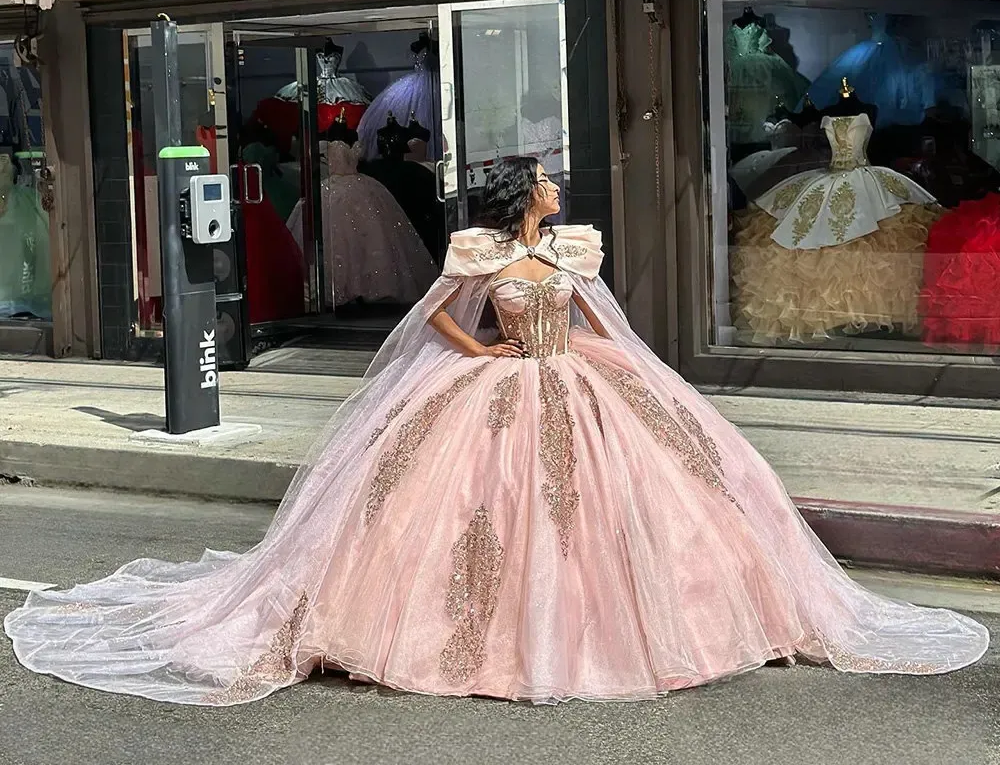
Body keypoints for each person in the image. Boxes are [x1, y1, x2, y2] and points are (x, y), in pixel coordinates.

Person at [3, 159, 988, 706]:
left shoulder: (564, 254)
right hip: (504, 387)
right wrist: (474, 356)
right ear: (523, 208)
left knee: (661, 500)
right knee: (469, 516)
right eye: (549, 192)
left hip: (581, 383)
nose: (561, 201)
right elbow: (438, 312)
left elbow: (607, 322)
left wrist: (639, 374)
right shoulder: (481, 256)